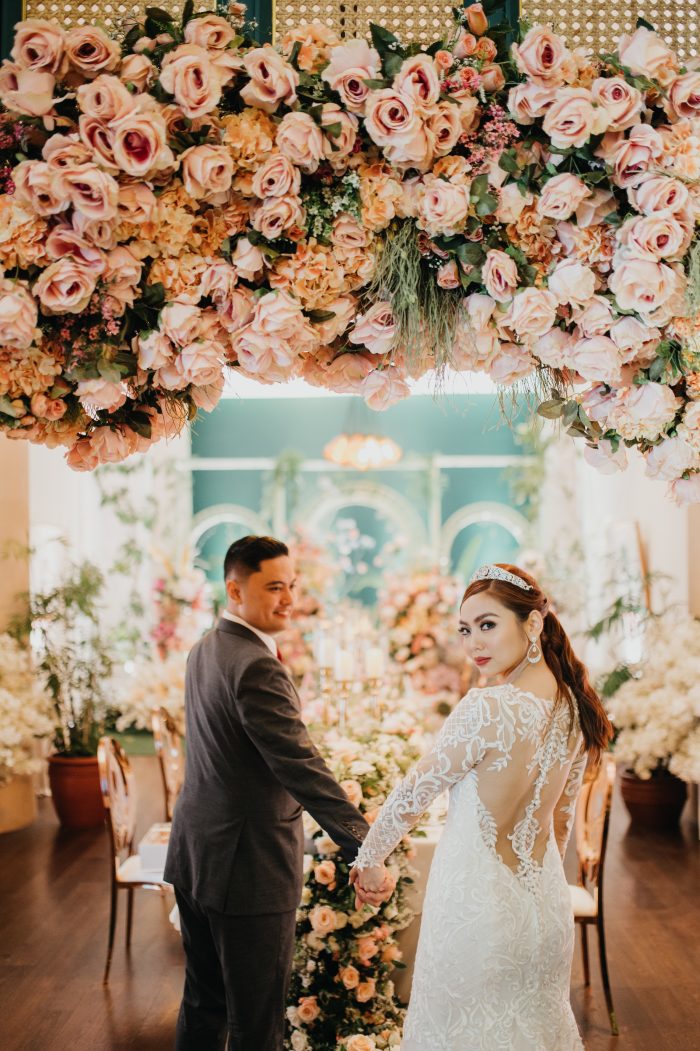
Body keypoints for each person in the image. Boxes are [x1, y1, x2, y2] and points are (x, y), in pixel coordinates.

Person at [350, 563, 613, 1051]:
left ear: (532, 624)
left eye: (488, 625)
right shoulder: (577, 710)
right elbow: (560, 821)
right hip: (545, 912)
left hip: (476, 914)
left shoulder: (485, 708)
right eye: (465, 630)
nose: (474, 644)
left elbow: (415, 791)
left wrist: (369, 860)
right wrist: (536, 878)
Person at [164, 535, 391, 1051]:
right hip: (247, 867)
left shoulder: (207, 647)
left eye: (291, 585)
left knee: (204, 1005)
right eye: (273, 587)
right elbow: (301, 767)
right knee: (256, 1024)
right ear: (235, 590)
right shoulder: (255, 662)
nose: (289, 598)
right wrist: (368, 844)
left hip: (196, 853)